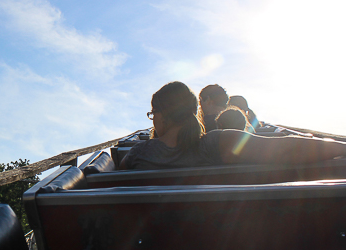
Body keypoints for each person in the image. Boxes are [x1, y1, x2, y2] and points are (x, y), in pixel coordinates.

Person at [120, 81, 346, 170]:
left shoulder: (137, 154)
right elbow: (284, 148)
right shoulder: (217, 142)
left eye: (153, 113)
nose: (153, 119)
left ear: (164, 114)